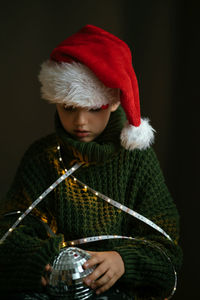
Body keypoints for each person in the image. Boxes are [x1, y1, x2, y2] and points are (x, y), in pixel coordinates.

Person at [0, 24, 182, 300]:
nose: (80, 122)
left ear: (112, 102)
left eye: (93, 108)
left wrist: (123, 261)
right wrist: (42, 264)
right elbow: (8, 238)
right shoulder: (42, 157)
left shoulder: (137, 160)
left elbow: (167, 253)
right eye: (69, 108)